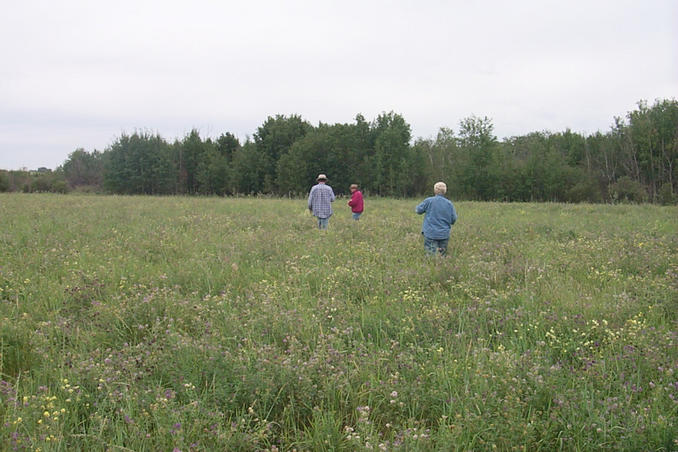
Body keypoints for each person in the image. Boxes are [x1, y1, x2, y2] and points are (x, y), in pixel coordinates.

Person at [415, 181, 457, 256]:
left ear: (435, 190)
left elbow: (418, 211)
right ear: (445, 191)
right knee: (442, 256)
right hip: (444, 234)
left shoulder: (429, 201)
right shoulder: (449, 204)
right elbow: (453, 219)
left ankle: (431, 266)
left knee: (431, 255)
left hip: (430, 233)